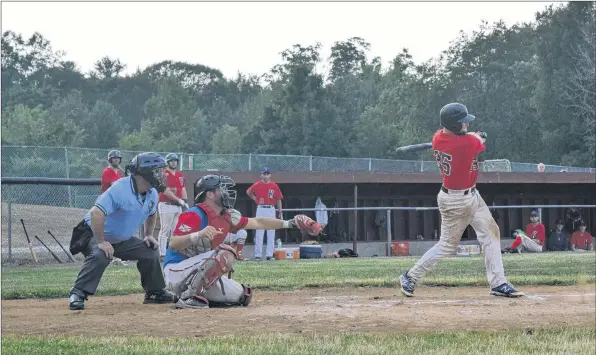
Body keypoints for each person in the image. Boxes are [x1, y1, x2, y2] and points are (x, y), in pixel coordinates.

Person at [399, 103, 523, 298]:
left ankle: (498, 283)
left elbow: (464, 137)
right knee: (447, 246)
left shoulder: (438, 137)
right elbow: (476, 141)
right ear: (455, 126)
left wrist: (470, 133)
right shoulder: (466, 144)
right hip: (456, 201)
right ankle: (410, 276)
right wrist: (477, 135)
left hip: (472, 195)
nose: (466, 124)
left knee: (491, 234)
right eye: (463, 122)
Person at [163, 174, 322, 309]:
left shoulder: (226, 216)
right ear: (210, 194)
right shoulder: (194, 214)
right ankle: (188, 297)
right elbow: (173, 243)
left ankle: (198, 294)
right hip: (176, 270)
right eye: (220, 188)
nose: (226, 192)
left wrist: (289, 223)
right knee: (224, 254)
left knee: (243, 296)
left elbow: (258, 222)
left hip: (196, 274)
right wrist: (197, 235)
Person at [67, 152, 177, 310]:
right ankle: (77, 293)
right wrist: (101, 242)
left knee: (150, 251)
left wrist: (148, 235)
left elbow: (152, 213)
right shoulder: (120, 188)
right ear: (144, 173)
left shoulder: (152, 193)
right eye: (157, 171)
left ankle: (154, 292)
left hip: (119, 238)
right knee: (101, 254)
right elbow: (96, 213)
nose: (161, 175)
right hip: (92, 233)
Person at [246, 167, 284, 260]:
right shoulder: (257, 184)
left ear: (270, 175)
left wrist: (280, 211)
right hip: (261, 208)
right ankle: (258, 255)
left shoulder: (274, 186)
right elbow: (248, 191)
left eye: (267, 174)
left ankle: (269, 255)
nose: (266, 176)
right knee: (259, 231)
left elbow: (278, 199)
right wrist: (255, 198)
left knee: (271, 232)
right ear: (261, 175)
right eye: (264, 174)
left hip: (271, 208)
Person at [157, 153, 189, 260]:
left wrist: (185, 201)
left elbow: (183, 188)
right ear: (167, 162)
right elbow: (165, 191)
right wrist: (178, 199)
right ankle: (162, 253)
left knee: (176, 231)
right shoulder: (164, 174)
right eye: (171, 161)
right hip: (166, 204)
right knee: (165, 229)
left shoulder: (180, 174)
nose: (174, 162)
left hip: (177, 206)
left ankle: (174, 251)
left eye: (175, 160)